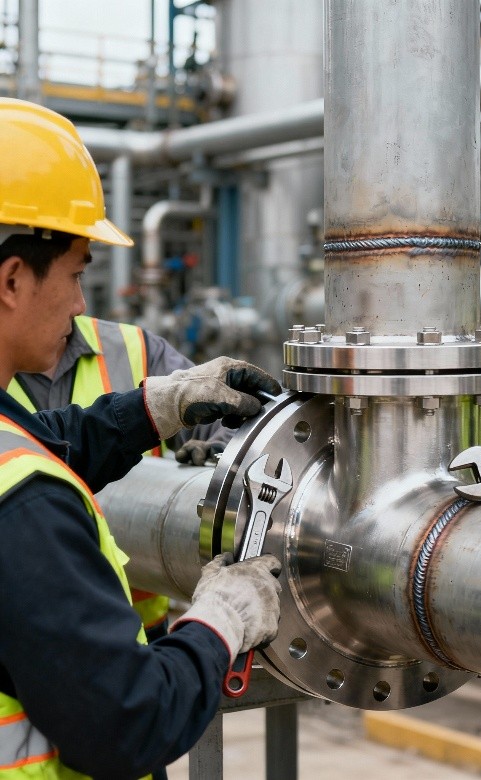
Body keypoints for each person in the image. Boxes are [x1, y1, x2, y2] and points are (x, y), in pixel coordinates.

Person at [0, 97, 283, 779]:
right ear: (11, 279)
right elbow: (128, 723)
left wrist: (157, 407)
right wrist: (219, 623)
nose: (79, 304)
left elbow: (42, 439)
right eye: (76, 275)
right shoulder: (26, 506)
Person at [8, 314, 234, 641]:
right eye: (71, 283)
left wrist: (221, 451)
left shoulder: (136, 348)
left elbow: (223, 415)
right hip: (32, 637)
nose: (81, 303)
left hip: (140, 633)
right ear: (13, 286)